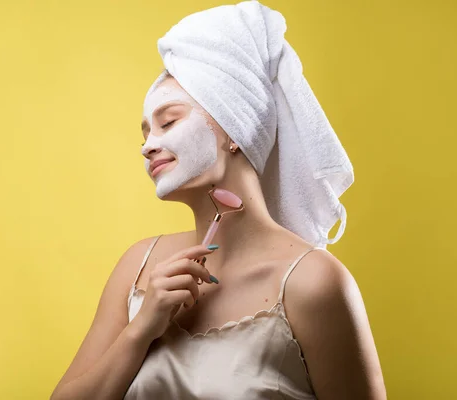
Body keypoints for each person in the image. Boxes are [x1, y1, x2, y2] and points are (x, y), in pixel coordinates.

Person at [51, 2, 386, 399]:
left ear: (234, 128)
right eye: (144, 134)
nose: (148, 146)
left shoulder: (315, 283)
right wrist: (140, 330)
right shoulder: (138, 267)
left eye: (169, 121)